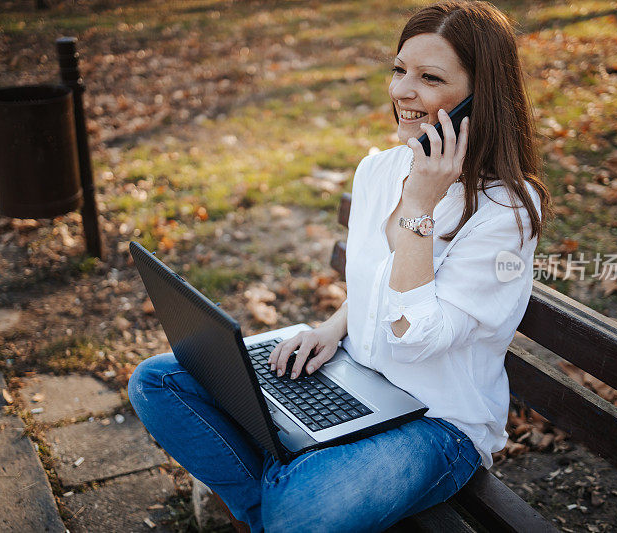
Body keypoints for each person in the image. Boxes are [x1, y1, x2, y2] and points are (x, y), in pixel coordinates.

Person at [128, 1, 551, 531]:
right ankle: (278, 512)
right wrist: (332, 327)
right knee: (158, 383)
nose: (401, 90)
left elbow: (414, 338)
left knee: (301, 506)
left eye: (429, 77)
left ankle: (282, 509)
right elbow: (377, 283)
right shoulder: (379, 170)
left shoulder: (505, 210)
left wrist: (419, 208)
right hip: (354, 377)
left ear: (478, 96)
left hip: (439, 421)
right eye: (399, 70)